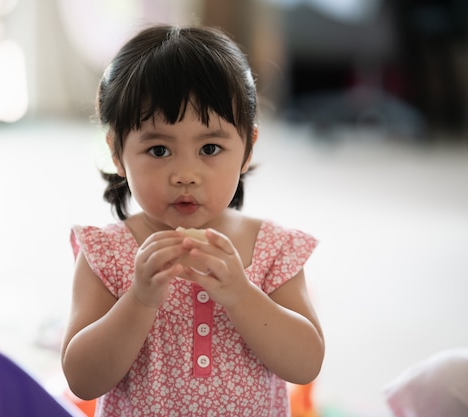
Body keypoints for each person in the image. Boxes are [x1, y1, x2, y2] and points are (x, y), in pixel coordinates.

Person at [61, 24, 325, 416]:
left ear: (247, 148)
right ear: (117, 152)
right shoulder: (107, 254)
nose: (185, 173)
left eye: (210, 147)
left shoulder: (273, 250)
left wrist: (240, 293)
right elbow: (82, 379)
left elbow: (305, 365)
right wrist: (139, 299)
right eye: (159, 150)